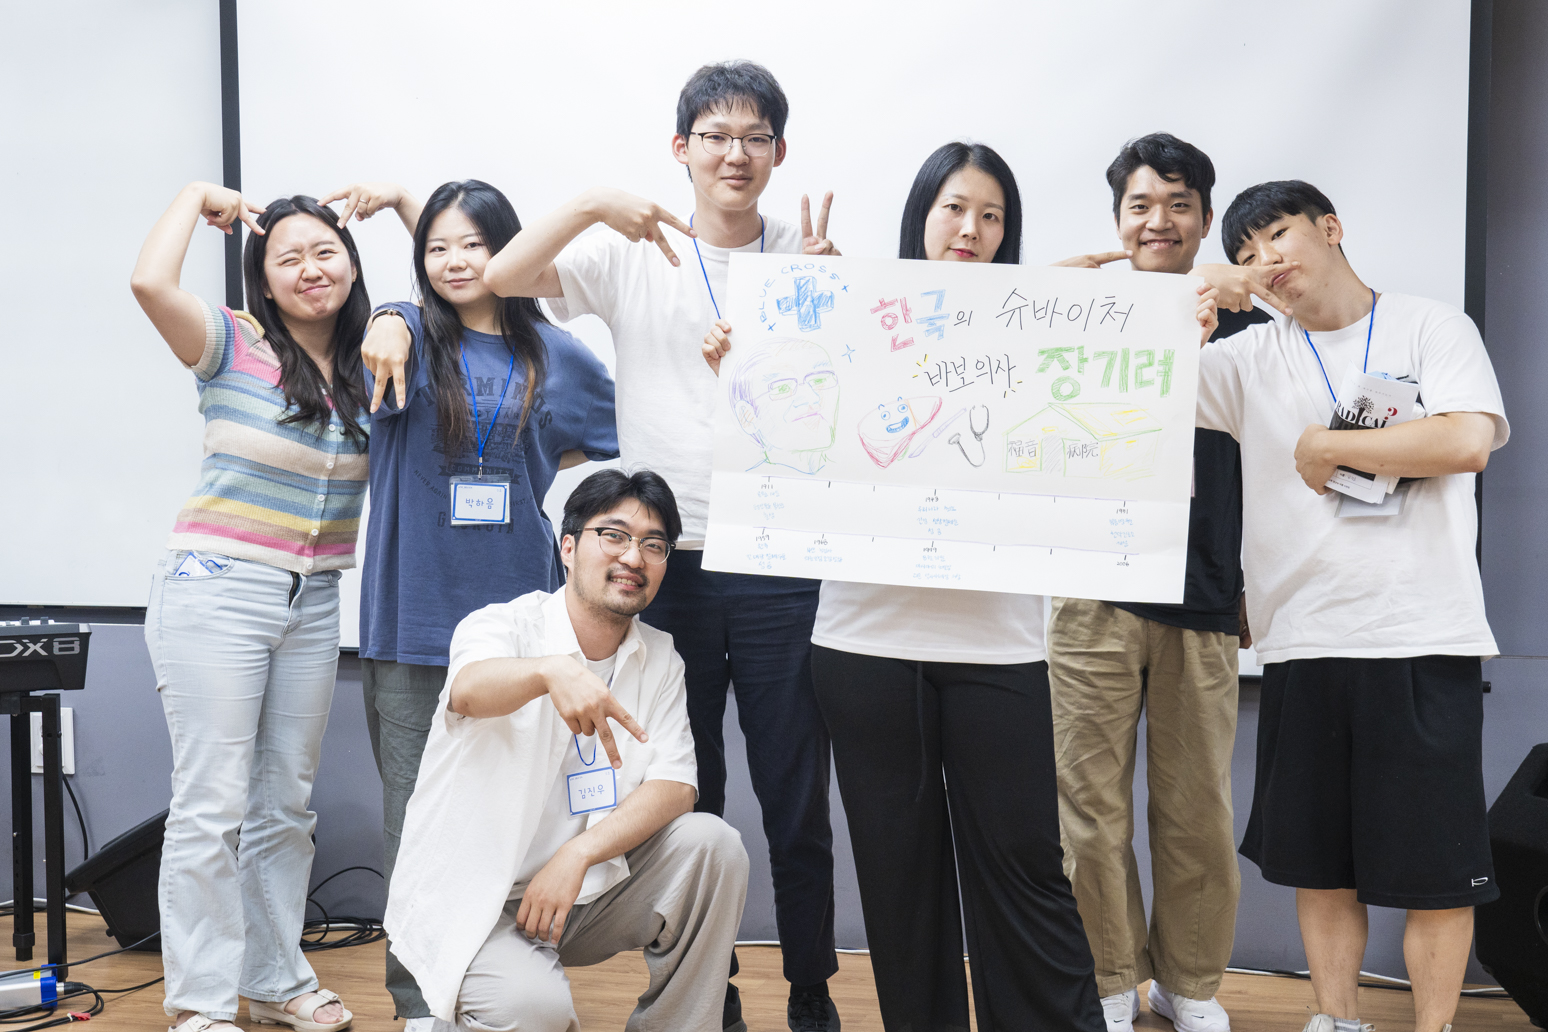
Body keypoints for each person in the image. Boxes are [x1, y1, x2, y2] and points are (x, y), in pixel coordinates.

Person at [706, 141, 1217, 1032]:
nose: (971, 228)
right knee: (899, 882)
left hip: (1000, 646)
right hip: (864, 644)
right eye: (954, 208)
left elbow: (1113, 421)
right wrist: (747, 353)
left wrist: (1173, 333)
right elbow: (788, 430)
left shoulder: (1046, 326)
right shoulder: (857, 321)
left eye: (991, 214)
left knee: (1025, 865)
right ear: (922, 216)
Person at [483, 60, 841, 1032]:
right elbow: (503, 277)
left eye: (755, 137)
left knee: (796, 795)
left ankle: (812, 990)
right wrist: (594, 203)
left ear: (779, 151)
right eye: (716, 136)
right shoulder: (633, 252)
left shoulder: (806, 258)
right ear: (681, 148)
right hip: (666, 566)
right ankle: (705, 990)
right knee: (687, 793)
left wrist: (833, 300)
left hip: (778, 559)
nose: (736, 154)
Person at [1199, 180, 1506, 1032]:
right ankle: (1336, 1021)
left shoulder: (1430, 325)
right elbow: (1139, 389)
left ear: (1330, 228)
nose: (1266, 259)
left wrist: (1328, 446)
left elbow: (1467, 439)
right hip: (1303, 640)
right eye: (1247, 252)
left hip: (1421, 633)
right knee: (1323, 868)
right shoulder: (1248, 359)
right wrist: (1198, 296)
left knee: (1438, 871)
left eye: (1278, 235)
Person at [315, 178, 620, 1027]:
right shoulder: (405, 337)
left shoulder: (560, 356)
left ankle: (498, 984)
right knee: (416, 827)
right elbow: (404, 312)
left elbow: (590, 448)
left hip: (523, 634)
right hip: (413, 623)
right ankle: (420, 1006)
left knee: (511, 817)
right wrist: (394, 311)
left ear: (509, 251)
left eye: (476, 245)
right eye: (438, 247)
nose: (455, 261)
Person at [1045, 132, 1281, 1032]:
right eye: (1141, 204)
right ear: (1118, 219)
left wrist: (1259, 579)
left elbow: (1276, 462)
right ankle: (1110, 977)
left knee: (1196, 810)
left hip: (1206, 593)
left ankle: (1190, 984)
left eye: (1179, 204)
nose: (1159, 220)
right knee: (1088, 809)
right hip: (1088, 594)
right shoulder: (1082, 311)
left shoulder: (1254, 328)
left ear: (1206, 219)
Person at [383, 469, 748, 1032]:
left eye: (653, 545)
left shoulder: (660, 656)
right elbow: (468, 690)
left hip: (581, 890)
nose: (634, 557)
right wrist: (549, 672)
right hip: (479, 901)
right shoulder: (504, 625)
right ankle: (451, 1014)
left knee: (713, 845)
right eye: (614, 536)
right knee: (536, 1011)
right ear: (569, 547)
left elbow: (677, 786)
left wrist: (578, 855)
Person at [131, 183, 369, 1032]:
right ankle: (199, 1004)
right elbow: (150, 283)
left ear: (351, 263)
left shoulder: (372, 364)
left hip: (315, 597)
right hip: (217, 587)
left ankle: (272, 980)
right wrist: (196, 197)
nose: (311, 269)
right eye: (288, 257)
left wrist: (405, 201)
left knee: (284, 804)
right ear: (263, 280)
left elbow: (463, 290)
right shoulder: (232, 341)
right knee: (212, 804)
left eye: (325, 251)